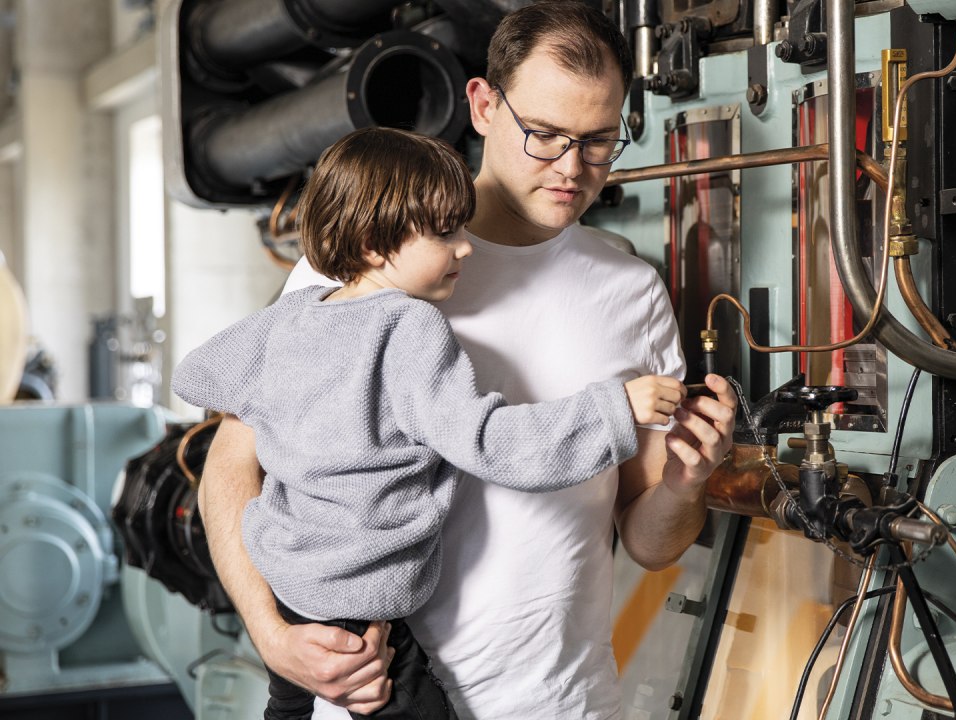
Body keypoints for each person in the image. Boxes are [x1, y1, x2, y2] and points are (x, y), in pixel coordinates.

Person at [197, 2, 739, 718]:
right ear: (483, 105)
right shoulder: (365, 265)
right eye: (544, 134)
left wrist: (685, 482)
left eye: (598, 141)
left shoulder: (631, 290)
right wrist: (273, 637)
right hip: (367, 694)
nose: (571, 168)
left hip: (561, 702)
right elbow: (231, 467)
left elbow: (649, 541)